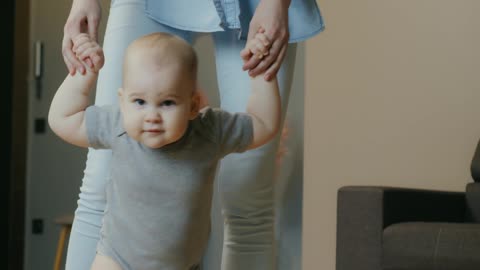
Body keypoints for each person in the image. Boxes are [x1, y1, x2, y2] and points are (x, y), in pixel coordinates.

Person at [61, 0, 325, 269]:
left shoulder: (211, 130)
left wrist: (261, 71)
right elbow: (65, 119)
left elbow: (263, 124)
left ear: (194, 105)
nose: (152, 115)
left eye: (167, 103)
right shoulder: (116, 123)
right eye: (140, 102)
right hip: (115, 259)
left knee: (249, 193)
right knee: (99, 183)